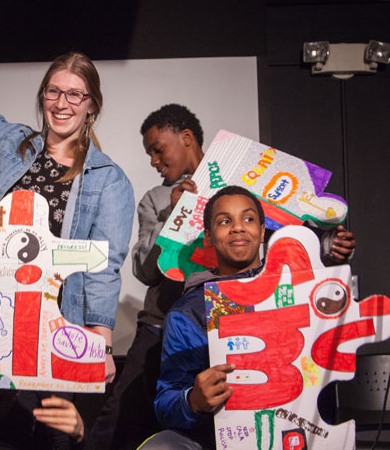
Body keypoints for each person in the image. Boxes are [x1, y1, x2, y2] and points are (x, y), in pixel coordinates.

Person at [88, 104, 358, 449]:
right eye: (224, 223)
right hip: (171, 320)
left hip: (250, 310)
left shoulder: (246, 186)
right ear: (211, 233)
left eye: (158, 149)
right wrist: (174, 213)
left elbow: (286, 239)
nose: (154, 160)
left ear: (186, 138)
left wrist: (329, 245)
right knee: (123, 418)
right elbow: (144, 270)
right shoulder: (156, 199)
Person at [0, 0, 134, 381]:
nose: (62, 104)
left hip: (56, 320)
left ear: (92, 105)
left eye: (75, 95)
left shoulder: (108, 180)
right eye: (54, 91)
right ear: (43, 95)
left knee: (43, 425)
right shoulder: (10, 143)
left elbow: (103, 267)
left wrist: (102, 342)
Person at [142, 186, 270, 449]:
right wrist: (193, 400)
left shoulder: (293, 287)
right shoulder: (188, 312)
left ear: (262, 231)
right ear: (209, 238)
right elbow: (166, 402)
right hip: (220, 436)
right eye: (225, 221)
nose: (238, 228)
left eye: (248, 219)